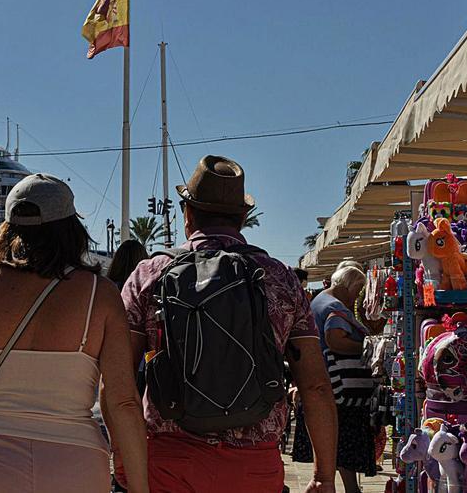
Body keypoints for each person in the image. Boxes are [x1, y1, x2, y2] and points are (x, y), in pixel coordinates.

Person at [0, 173, 149, 492]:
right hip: (75, 464)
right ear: (71, 227)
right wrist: (139, 486)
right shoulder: (100, 294)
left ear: (7, 228)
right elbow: (124, 403)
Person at [121, 155, 338, 493]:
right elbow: (316, 387)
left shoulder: (149, 276)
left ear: (187, 213)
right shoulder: (280, 279)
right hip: (254, 467)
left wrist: (125, 466)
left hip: (168, 463)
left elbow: (120, 386)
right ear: (243, 217)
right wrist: (324, 476)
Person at [293, 260, 376, 493]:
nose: (357, 298)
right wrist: (369, 346)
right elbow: (335, 340)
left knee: (334, 443)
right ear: (347, 287)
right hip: (339, 389)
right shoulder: (334, 308)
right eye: (357, 292)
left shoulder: (319, 301)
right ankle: (350, 488)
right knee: (344, 442)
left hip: (325, 382)